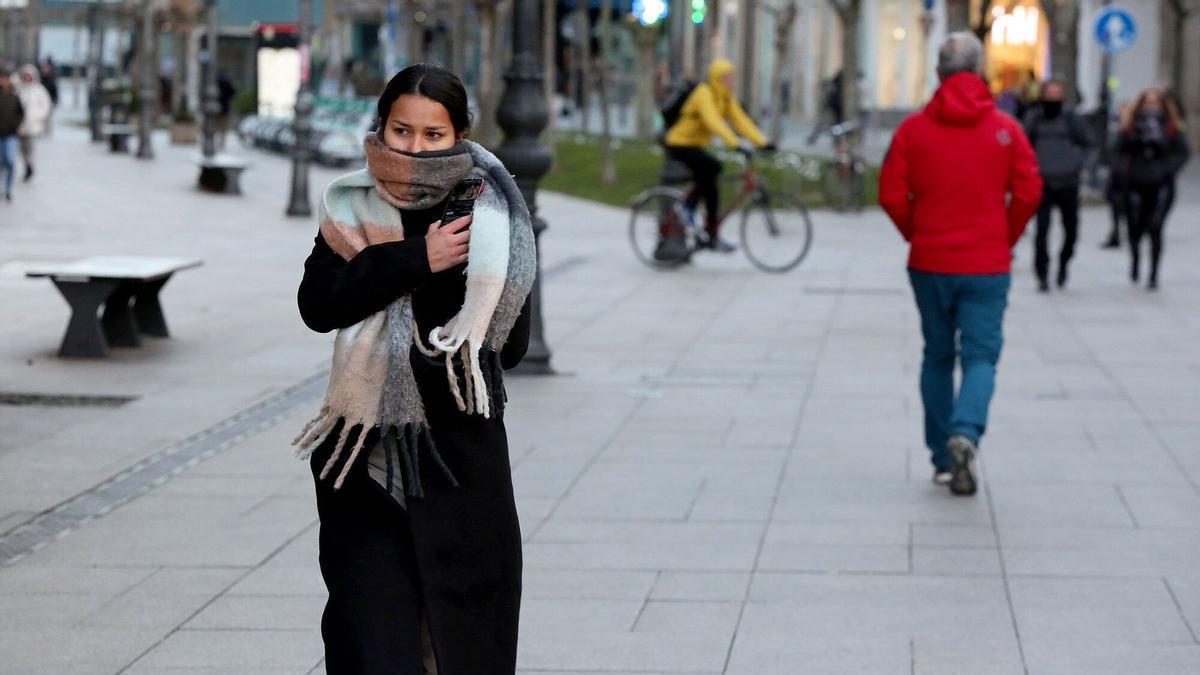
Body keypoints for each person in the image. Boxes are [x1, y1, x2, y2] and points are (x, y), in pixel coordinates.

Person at [295, 63, 535, 674]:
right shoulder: (352, 205)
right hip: (365, 461)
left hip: (460, 462)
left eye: (434, 134)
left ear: (460, 134)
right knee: (373, 640)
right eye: (403, 131)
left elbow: (506, 348)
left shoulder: (493, 217)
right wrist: (414, 259)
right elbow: (318, 305)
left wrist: (453, 276)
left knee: (463, 641)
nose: (416, 147)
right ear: (383, 127)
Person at [878, 33, 1042, 495]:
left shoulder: (914, 130)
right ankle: (965, 432)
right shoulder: (1005, 129)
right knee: (981, 356)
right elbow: (1029, 191)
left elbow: (890, 193)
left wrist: (918, 231)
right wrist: (1003, 236)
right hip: (987, 263)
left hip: (930, 260)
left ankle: (941, 457)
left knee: (937, 355)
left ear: (938, 74)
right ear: (982, 73)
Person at [662, 58, 772, 255]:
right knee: (713, 170)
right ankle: (691, 213)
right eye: (727, 77)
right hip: (679, 143)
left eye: (732, 77)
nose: (731, 81)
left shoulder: (725, 97)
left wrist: (763, 142)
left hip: (694, 145)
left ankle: (706, 228)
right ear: (717, 77)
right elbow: (712, 120)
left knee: (710, 178)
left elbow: (741, 120)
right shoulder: (704, 92)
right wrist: (736, 144)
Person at [1115, 88, 1190, 290]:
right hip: (1135, 182)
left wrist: (1168, 169)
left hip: (1161, 183)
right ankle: (1136, 259)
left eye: (1155, 102)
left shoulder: (1170, 128)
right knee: (1135, 228)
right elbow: (1117, 151)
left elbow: (1183, 152)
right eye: (1147, 102)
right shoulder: (1130, 126)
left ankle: (1153, 274)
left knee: (1156, 227)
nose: (1151, 106)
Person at [1023, 80, 1091, 291]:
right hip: (1043, 182)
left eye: (1057, 93)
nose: (1053, 97)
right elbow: (1024, 146)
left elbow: (1088, 144)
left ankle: (1063, 262)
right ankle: (1042, 273)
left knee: (1071, 230)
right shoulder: (1034, 118)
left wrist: (1076, 165)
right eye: (1049, 93)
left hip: (1068, 181)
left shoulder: (1072, 119)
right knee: (1042, 231)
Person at [15, 64, 52, 183]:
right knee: (22, 148)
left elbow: (46, 106)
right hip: (20, 125)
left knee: (30, 147)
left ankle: (29, 165)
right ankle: (26, 163)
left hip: (33, 125)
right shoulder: (19, 90)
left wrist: (37, 117)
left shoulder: (39, 90)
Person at [0, 69, 23, 202]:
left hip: (10, 134)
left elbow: (21, 113)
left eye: (6, 78)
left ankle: (8, 189)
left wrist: (16, 124)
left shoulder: (15, 96)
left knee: (10, 161)